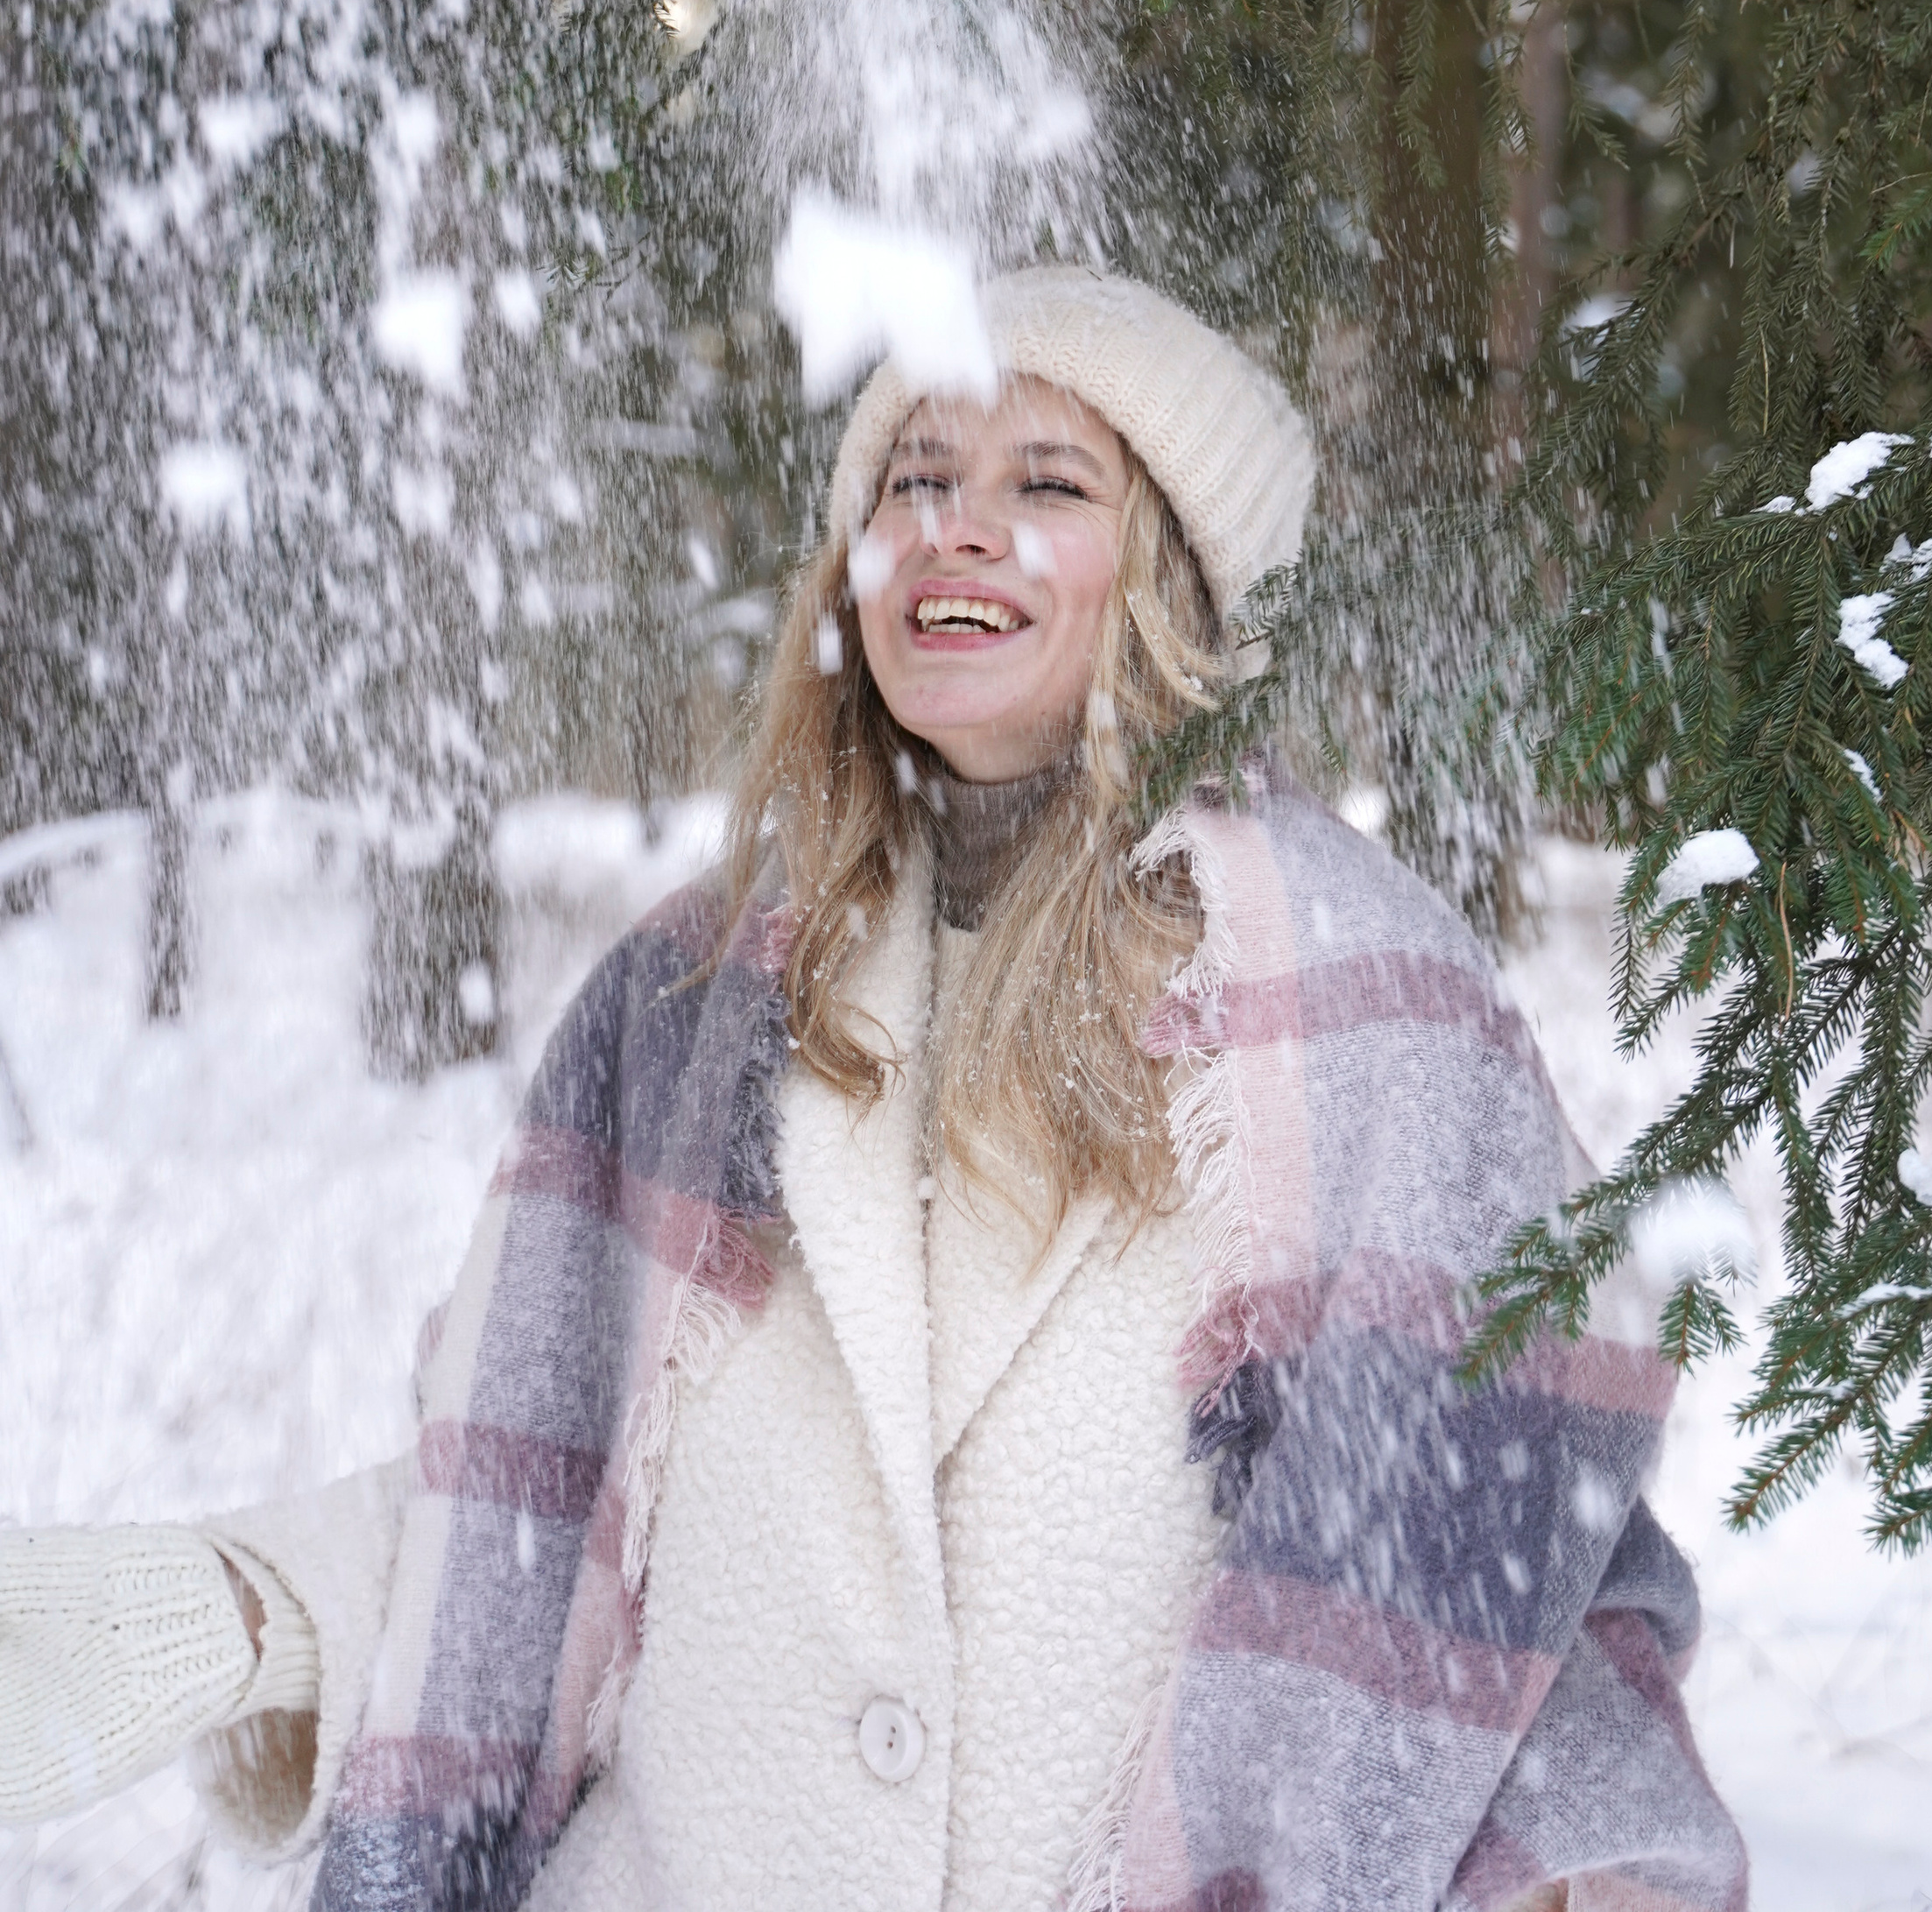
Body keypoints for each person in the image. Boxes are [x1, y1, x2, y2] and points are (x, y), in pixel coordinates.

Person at [0, 265, 1747, 1911]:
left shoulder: (1364, 1021)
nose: (955, 524)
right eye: (913, 474)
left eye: (1047, 483)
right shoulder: (684, 1007)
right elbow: (534, 1525)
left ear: (1174, 583)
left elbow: (1507, 1579)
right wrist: (215, 1614)